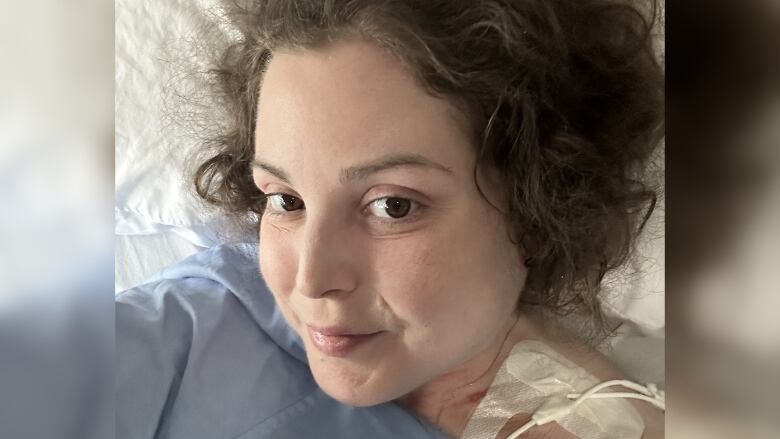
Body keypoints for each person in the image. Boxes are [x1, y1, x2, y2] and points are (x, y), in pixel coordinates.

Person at [118, 1, 664, 438]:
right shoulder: (187, 325)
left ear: (541, 208)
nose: (311, 279)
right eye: (286, 200)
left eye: (392, 205)